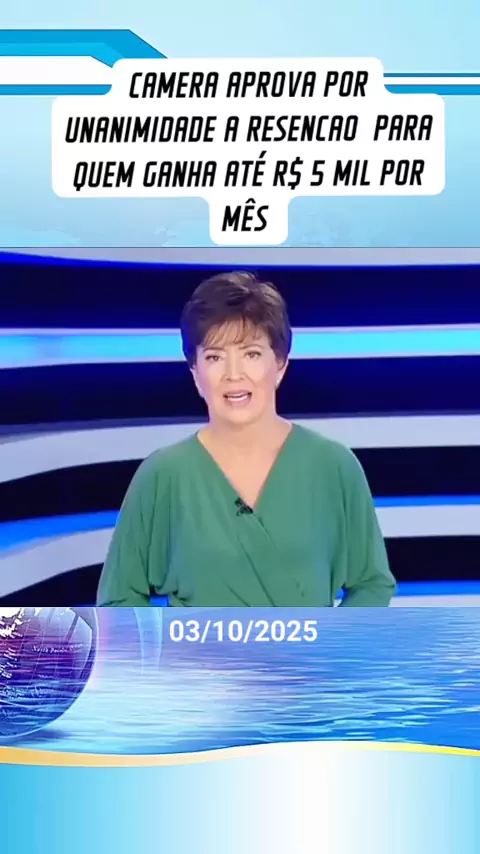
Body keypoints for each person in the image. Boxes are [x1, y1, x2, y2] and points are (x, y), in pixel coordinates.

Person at [97, 271, 396, 607]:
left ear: (280, 364)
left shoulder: (334, 466)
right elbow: (118, 599)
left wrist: (329, 641)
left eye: (251, 354)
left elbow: (372, 583)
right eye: (214, 357)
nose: (233, 374)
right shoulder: (163, 476)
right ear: (195, 373)